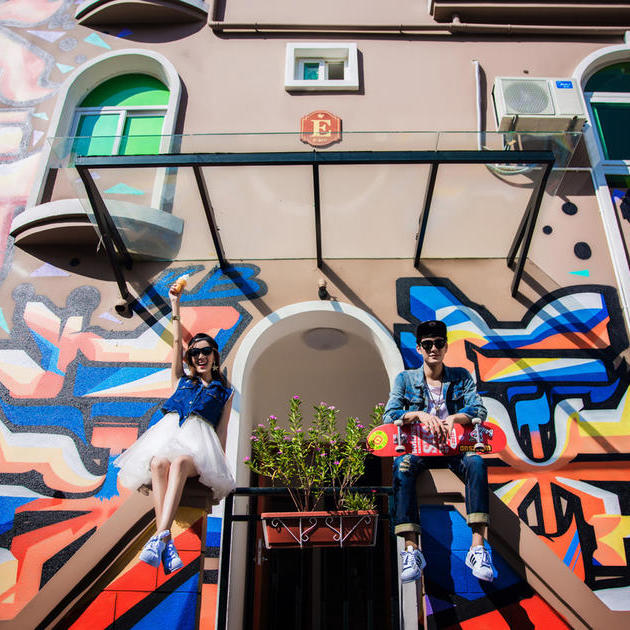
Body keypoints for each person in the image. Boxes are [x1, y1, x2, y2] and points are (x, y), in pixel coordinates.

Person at [114, 283, 235, 573]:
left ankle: (161, 537)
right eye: (195, 353)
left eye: (205, 351)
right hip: (168, 437)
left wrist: (218, 465)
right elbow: (176, 343)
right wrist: (174, 304)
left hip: (198, 448)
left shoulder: (225, 391)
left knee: (179, 463)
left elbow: (222, 431)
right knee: (158, 463)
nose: (200, 356)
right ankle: (164, 540)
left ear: (214, 355)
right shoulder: (181, 381)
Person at [383, 319, 496, 584]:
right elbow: (390, 415)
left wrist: (455, 418)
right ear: (419, 348)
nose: (433, 348)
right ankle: (412, 551)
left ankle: (477, 549)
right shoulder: (405, 379)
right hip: (419, 449)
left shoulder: (461, 377)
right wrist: (418, 415)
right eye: (427, 344)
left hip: (454, 449)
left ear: (445, 347)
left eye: (439, 343)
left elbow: (479, 409)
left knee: (476, 462)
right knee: (402, 466)